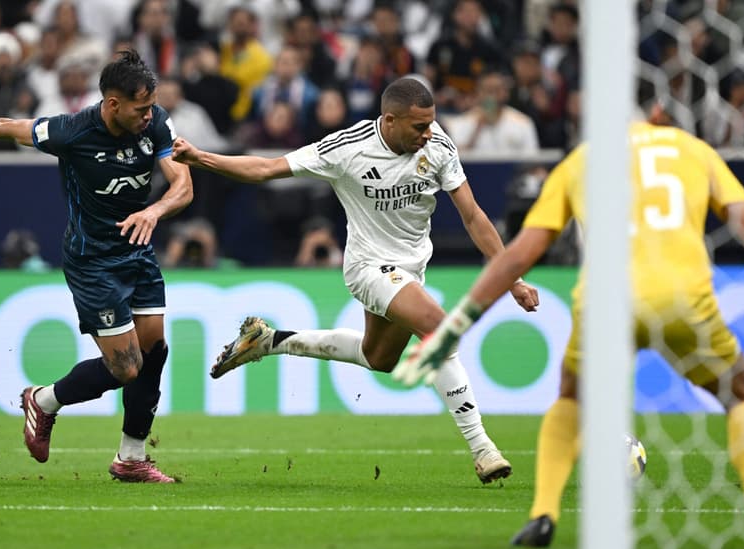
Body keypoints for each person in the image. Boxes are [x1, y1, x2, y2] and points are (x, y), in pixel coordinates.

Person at [392, 119, 744, 547]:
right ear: (658, 112)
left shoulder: (583, 161)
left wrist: (457, 324)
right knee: (741, 394)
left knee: (570, 396)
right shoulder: (695, 151)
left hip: (608, 301)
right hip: (685, 297)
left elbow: (519, 255)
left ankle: (543, 515)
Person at [172, 76, 540, 484]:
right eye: (419, 126)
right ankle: (483, 448)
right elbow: (264, 168)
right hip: (368, 267)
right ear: (390, 120)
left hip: (411, 268)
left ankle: (271, 341)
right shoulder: (347, 147)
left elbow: (473, 216)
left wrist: (513, 277)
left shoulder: (437, 147)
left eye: (431, 124)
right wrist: (201, 158)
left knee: (378, 358)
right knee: (439, 329)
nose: (428, 133)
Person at [0, 50, 193, 483]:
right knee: (126, 368)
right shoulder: (73, 130)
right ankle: (45, 400)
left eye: (151, 106)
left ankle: (131, 458)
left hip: (137, 250)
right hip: (92, 260)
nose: (149, 115)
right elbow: (11, 126)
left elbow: (182, 184)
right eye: (140, 109)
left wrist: (154, 212)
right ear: (112, 104)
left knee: (154, 350)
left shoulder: (156, 121)